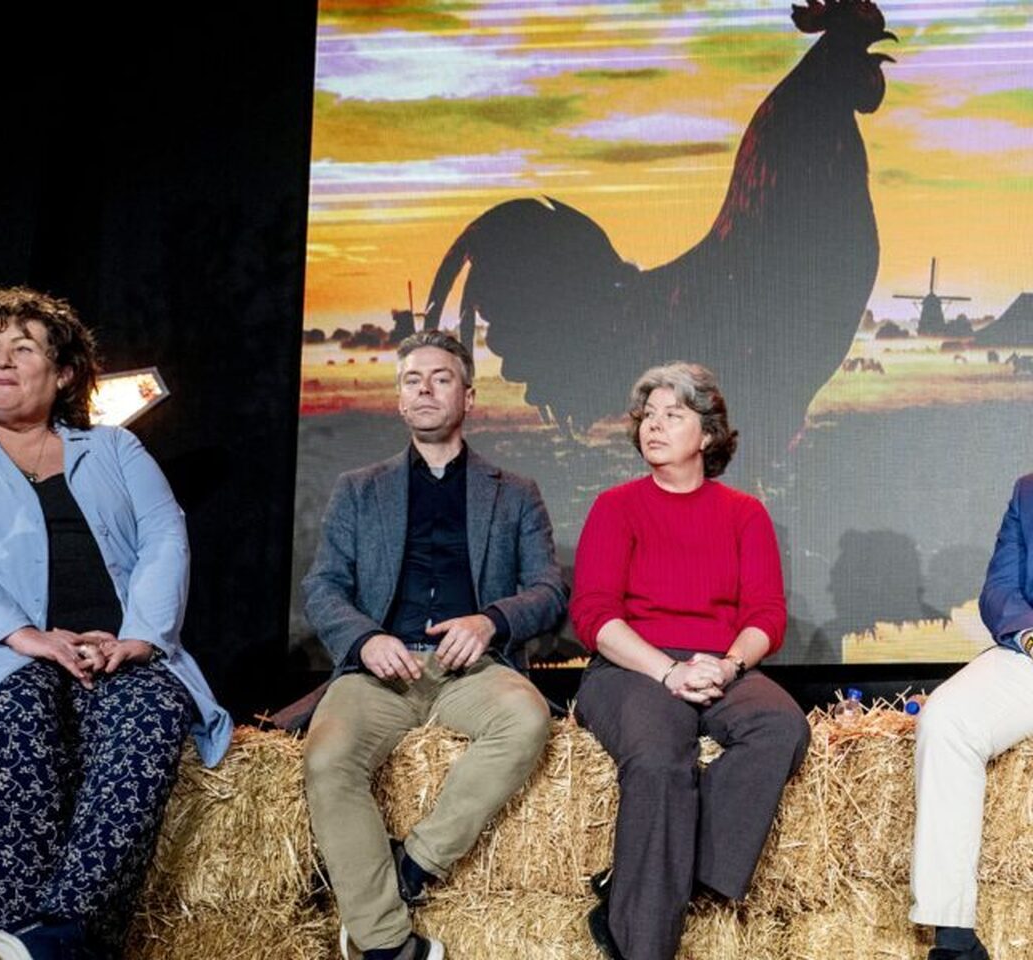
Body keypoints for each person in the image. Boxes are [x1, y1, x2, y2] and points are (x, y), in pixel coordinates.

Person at [0, 285, 231, 960]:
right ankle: (0, 921)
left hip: (109, 651)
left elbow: (163, 538)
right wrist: (21, 635)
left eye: (23, 347)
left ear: (62, 374)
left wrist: (140, 638)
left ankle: (64, 930)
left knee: (155, 706)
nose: (1, 360)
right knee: (21, 697)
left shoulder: (114, 449)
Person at [302, 330, 567, 960]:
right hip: (379, 670)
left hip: (472, 670)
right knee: (326, 759)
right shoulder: (358, 488)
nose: (424, 389)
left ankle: (412, 866)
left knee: (527, 718)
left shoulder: (514, 490)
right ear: (399, 400)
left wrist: (490, 622)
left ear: (468, 397)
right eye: (412, 380)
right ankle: (386, 943)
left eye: (441, 378)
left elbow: (550, 590)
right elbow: (322, 587)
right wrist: (365, 638)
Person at [569, 362, 810, 960]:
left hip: (718, 661)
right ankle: (642, 943)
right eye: (647, 416)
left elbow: (767, 615)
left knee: (781, 726)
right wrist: (668, 671)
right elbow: (594, 615)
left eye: (672, 415)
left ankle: (649, 881)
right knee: (659, 759)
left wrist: (727, 667)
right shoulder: (616, 507)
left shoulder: (744, 513)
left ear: (707, 434)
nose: (653, 426)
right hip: (630, 666)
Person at [910, 475, 1033, 960]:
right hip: (1030, 654)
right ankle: (955, 937)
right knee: (947, 720)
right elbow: (1000, 591)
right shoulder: (1028, 491)